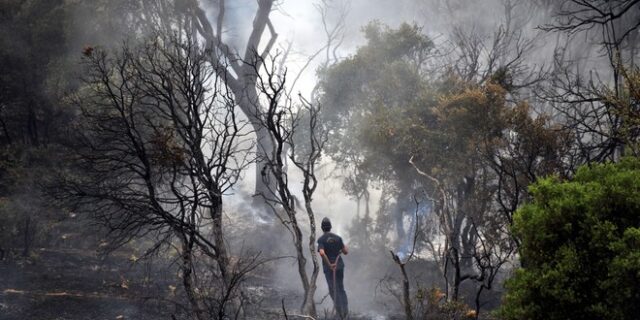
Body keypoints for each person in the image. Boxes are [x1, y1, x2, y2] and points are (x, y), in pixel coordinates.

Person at [317, 217, 349, 319]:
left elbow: (322, 253)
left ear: (322, 228)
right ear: (330, 227)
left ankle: (340, 313)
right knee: (341, 288)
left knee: (333, 290)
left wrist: (330, 265)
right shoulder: (338, 238)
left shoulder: (321, 239)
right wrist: (343, 247)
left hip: (330, 269)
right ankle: (345, 310)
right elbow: (345, 252)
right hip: (339, 267)